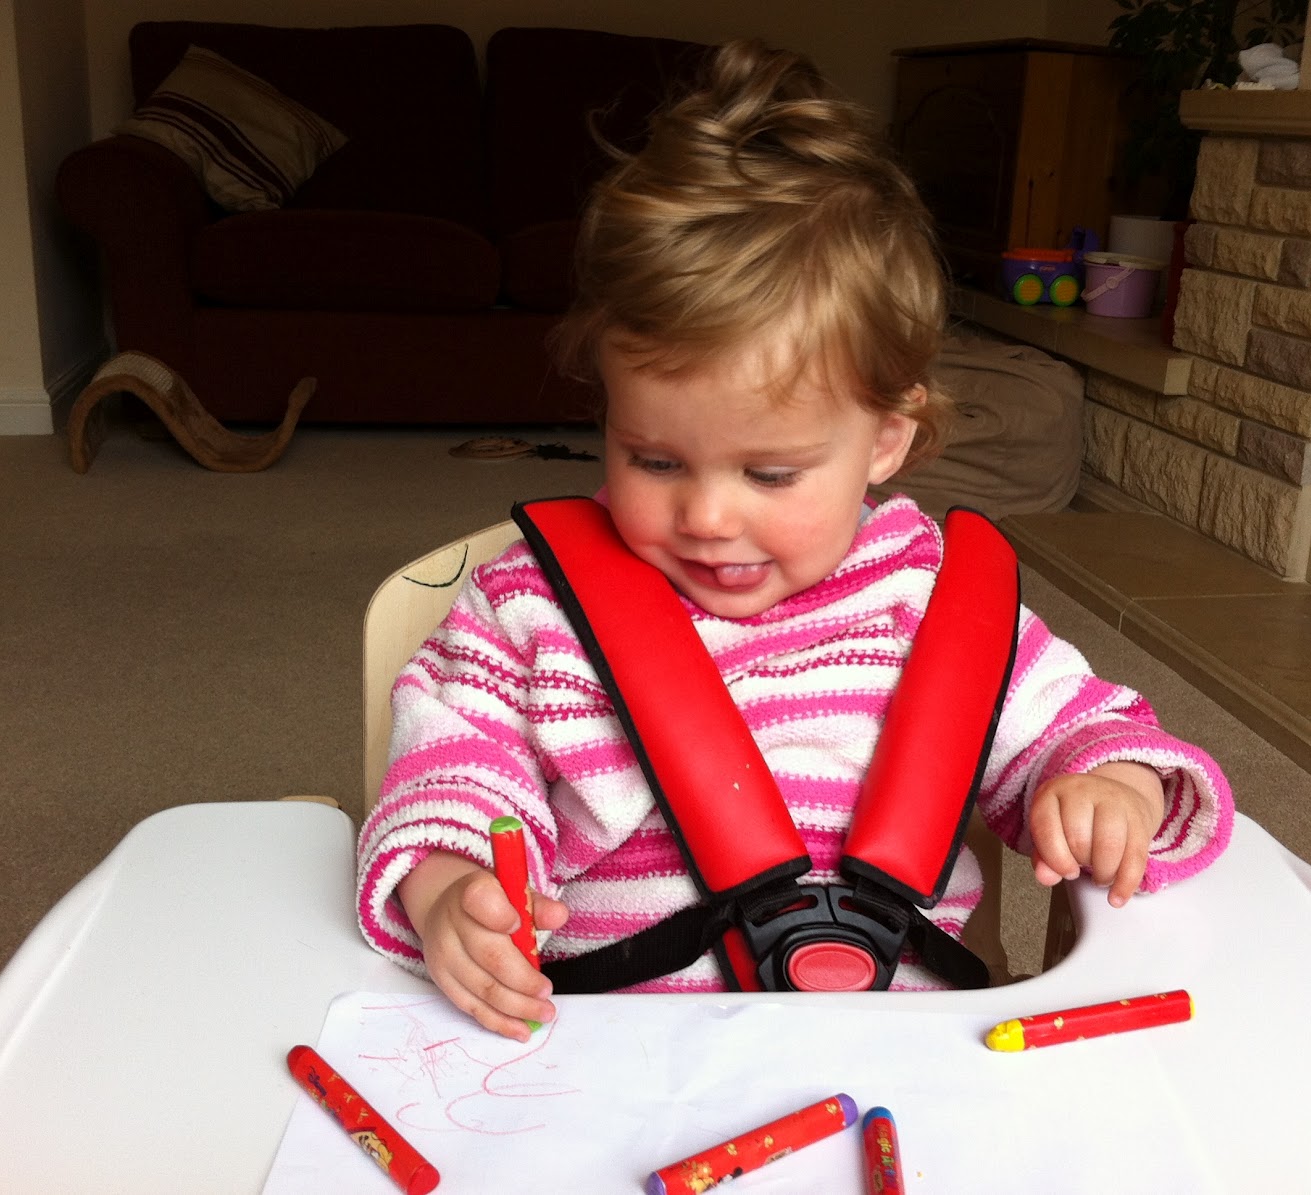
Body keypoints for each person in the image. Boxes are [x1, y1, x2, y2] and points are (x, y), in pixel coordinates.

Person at [356, 39, 1233, 1042]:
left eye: (769, 474)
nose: (708, 516)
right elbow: (455, 763)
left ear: (886, 438)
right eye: (652, 459)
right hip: (611, 1066)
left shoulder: (933, 603)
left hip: (911, 1063)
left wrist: (1108, 788)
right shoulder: (531, 609)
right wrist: (446, 884)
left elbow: (1079, 726)